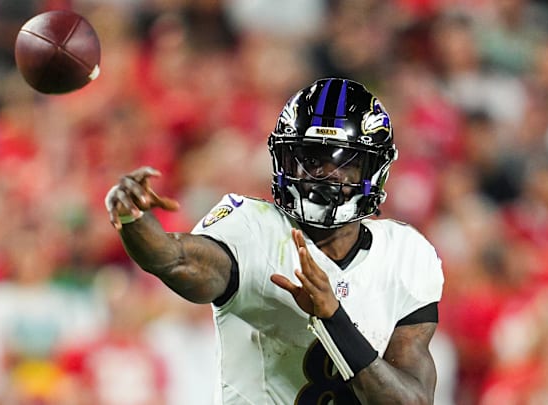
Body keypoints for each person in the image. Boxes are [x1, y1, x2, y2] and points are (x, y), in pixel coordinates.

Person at [104, 78, 444, 404]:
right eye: (311, 159)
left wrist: (332, 318)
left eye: (345, 162)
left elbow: (410, 401)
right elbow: (173, 259)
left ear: (373, 170)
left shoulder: (406, 255)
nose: (326, 175)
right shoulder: (253, 229)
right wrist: (133, 218)